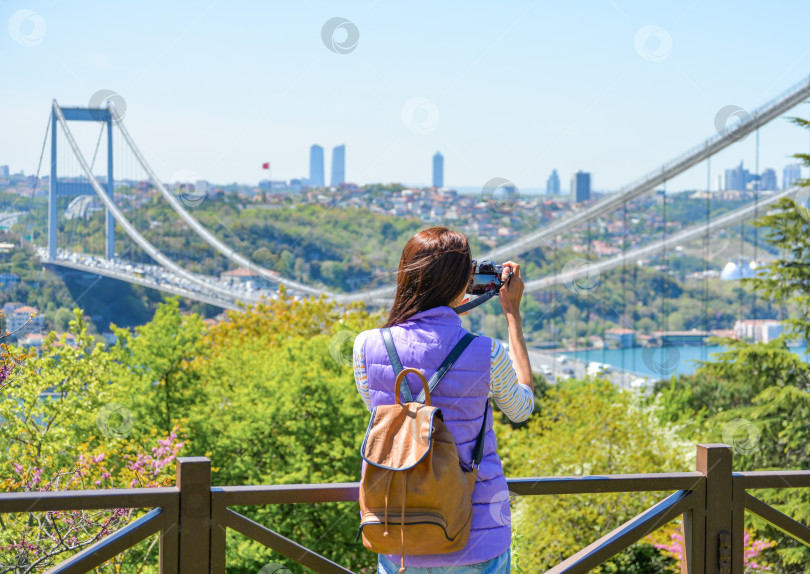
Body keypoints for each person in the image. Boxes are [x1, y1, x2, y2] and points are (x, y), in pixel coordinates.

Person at [353, 226, 533, 574]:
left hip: (397, 531)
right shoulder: (487, 353)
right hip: (477, 536)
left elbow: (384, 419)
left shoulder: (366, 346)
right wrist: (512, 315)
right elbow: (521, 409)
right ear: (464, 282)